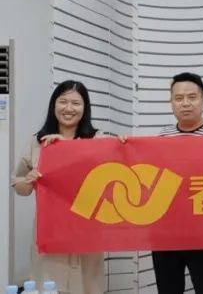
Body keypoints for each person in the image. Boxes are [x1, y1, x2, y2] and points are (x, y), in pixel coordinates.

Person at [11, 80, 109, 294]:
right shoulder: (37, 142)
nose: (69, 108)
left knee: (87, 286)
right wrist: (28, 180)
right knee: (49, 285)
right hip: (50, 231)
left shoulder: (98, 139)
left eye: (76, 103)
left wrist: (65, 148)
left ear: (85, 108)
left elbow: (108, 177)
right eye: (63, 101)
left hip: (86, 229)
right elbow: (19, 184)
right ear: (53, 105)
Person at [152, 72, 203, 294]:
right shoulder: (161, 138)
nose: (185, 103)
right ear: (171, 102)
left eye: (192, 97)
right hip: (166, 233)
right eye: (179, 98)